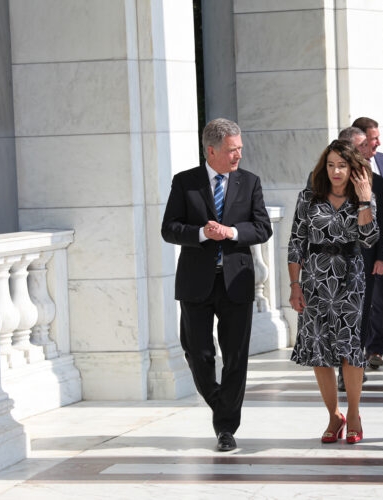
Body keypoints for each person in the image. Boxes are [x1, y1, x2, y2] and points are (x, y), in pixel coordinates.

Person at [161, 118, 272, 452]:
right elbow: (169, 229)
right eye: (231, 150)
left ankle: (226, 428)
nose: (238, 156)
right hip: (197, 281)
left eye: (239, 149)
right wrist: (200, 234)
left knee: (236, 357)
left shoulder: (250, 182)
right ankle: (219, 401)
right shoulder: (185, 182)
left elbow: (262, 228)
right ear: (211, 150)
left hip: (236, 281)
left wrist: (233, 233)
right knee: (197, 351)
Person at [288, 139, 378, 444]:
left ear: (353, 168)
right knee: (319, 352)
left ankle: (353, 414)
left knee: (350, 350)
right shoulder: (308, 197)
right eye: (330, 165)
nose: (336, 171)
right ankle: (333, 415)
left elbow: (368, 239)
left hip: (350, 279)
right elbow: (295, 243)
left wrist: (365, 201)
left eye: (342, 165)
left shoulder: (362, 197)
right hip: (314, 280)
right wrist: (294, 285)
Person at [352, 117, 383, 369]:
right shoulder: (325, 176)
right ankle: (350, 365)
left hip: (376, 251)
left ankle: (375, 349)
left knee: (378, 302)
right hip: (343, 258)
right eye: (370, 140)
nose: (376, 144)